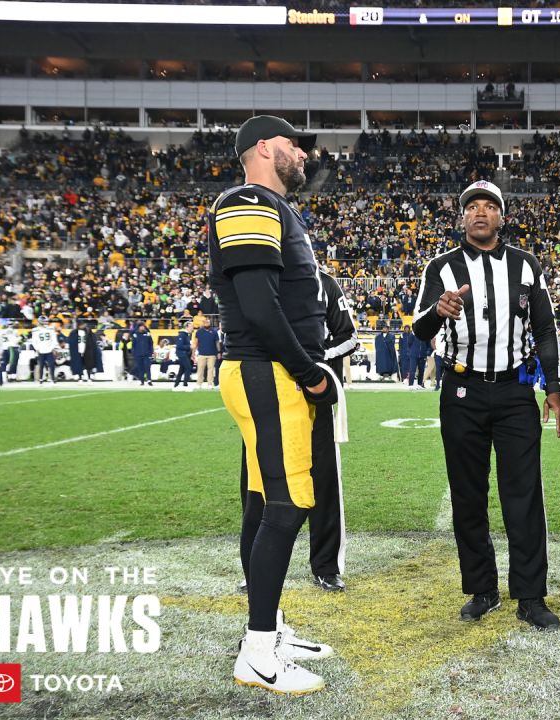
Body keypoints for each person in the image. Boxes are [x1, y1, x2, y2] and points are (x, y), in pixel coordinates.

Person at [213, 115, 336, 695]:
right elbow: (259, 305)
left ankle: (272, 628)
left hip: (268, 370)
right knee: (286, 507)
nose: (303, 155)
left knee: (265, 505)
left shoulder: (272, 206)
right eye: (294, 145)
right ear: (264, 148)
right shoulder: (247, 200)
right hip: (268, 372)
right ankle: (259, 649)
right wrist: (310, 372)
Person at [412, 180, 560, 631]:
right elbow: (419, 330)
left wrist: (553, 386)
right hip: (461, 391)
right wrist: (438, 311)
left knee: (523, 494)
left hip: (516, 392)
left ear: (501, 216)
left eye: (489, 206)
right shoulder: (440, 268)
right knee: (467, 494)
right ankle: (482, 588)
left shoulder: (525, 265)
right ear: (462, 217)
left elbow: (544, 329)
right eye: (472, 207)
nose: (480, 213)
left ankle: (531, 595)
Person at [308, 269, 359, 591]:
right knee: (259, 483)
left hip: (315, 396)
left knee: (324, 481)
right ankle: (254, 561)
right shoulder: (259, 280)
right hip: (267, 395)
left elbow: (349, 336)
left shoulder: (323, 282)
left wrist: (313, 361)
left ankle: (326, 565)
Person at [30, 316, 59, 384]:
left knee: (51, 364)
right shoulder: (35, 330)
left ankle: (52, 378)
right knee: (41, 365)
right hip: (41, 350)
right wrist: (37, 349)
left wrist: (52, 348)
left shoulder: (51, 329)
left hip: (49, 349)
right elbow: (34, 341)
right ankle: (41, 379)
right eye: (45, 321)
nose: (46, 322)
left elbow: (54, 339)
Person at [194, 318, 221, 390]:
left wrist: (218, 352)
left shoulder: (214, 332)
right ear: (203, 323)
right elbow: (196, 343)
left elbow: (217, 342)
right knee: (200, 369)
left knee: (211, 370)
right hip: (201, 353)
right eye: (205, 322)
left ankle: (210, 384)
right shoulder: (199, 332)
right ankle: (199, 383)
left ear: (210, 323)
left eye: (208, 322)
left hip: (212, 354)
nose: (206, 323)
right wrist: (194, 353)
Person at [131, 322, 154, 386]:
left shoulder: (148, 334)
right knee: (140, 368)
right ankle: (142, 380)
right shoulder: (135, 335)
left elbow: (151, 344)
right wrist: (134, 353)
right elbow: (133, 345)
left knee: (147, 368)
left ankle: (149, 380)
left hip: (147, 354)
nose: (142, 327)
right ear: (138, 327)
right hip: (138, 354)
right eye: (141, 326)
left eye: (143, 326)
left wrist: (151, 352)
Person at [172, 322, 194, 391]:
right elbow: (179, 345)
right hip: (182, 354)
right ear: (187, 327)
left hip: (184, 354)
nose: (192, 328)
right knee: (188, 368)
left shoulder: (186, 335)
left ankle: (176, 384)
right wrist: (189, 346)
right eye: (191, 326)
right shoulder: (182, 334)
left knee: (181, 369)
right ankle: (185, 384)